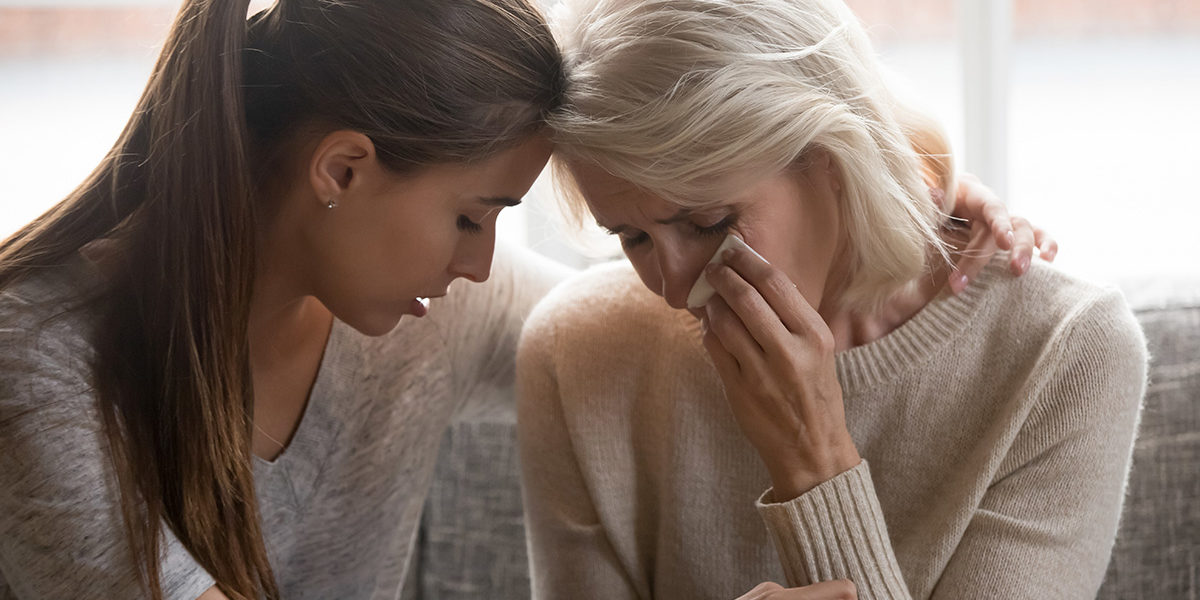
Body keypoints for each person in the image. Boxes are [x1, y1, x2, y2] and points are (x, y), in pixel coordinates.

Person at [0, 1, 1048, 599]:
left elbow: (634, 326)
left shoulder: (431, 304)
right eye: (473, 216)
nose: (481, 265)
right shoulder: (38, 368)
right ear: (342, 170)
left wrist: (898, 191)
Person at [516, 0, 1145, 598]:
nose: (677, 290)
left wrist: (815, 465)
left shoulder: (1068, 354)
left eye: (708, 222)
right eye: (631, 237)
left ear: (831, 156)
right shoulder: (574, 354)